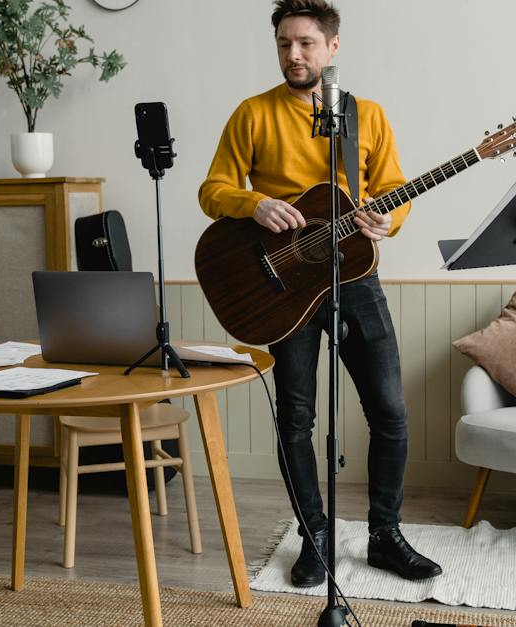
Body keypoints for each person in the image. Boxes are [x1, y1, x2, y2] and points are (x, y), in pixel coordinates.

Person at [198, 0, 441, 587]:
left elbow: (392, 189)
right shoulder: (252, 114)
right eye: (284, 43)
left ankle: (385, 536)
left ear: (333, 48)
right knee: (296, 419)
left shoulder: (368, 116)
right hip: (278, 287)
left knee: (390, 412)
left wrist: (391, 218)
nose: (293, 55)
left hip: (354, 277)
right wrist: (253, 203)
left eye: (305, 43)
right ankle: (316, 536)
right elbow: (213, 190)